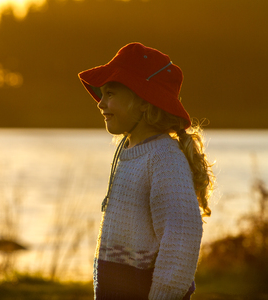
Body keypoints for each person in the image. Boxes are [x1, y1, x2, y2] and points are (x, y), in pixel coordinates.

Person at [77, 42, 215, 300]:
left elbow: (182, 238)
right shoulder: (129, 151)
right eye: (102, 94)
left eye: (110, 94)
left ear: (143, 101)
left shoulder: (164, 159)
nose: (100, 103)